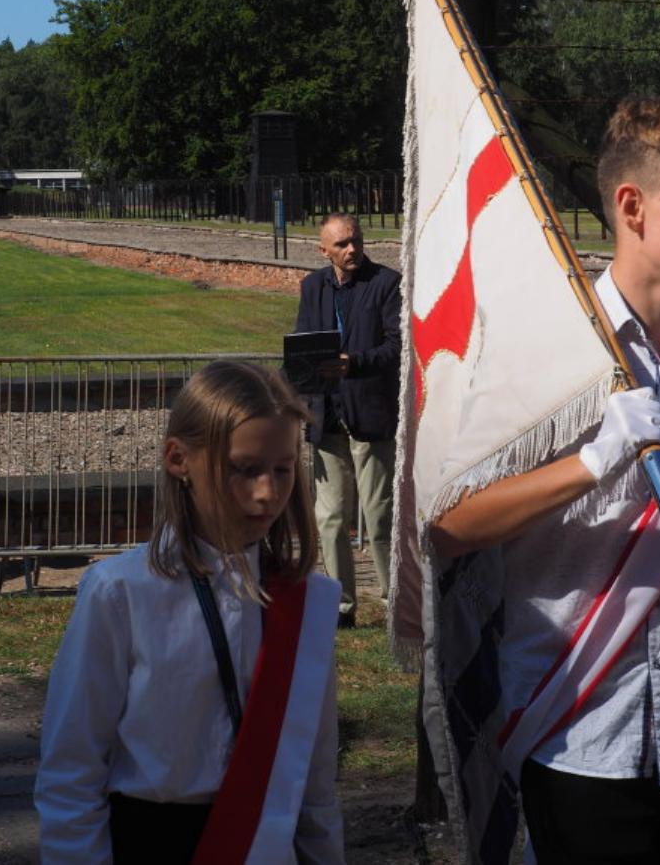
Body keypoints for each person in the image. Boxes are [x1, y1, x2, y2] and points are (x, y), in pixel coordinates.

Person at [429, 96, 660, 863]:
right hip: (575, 721)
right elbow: (450, 526)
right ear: (632, 207)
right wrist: (590, 463)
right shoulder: (540, 355)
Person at [35, 361, 344, 864]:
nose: (267, 493)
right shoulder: (121, 593)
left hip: (264, 846)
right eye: (244, 469)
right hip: (152, 843)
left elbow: (315, 783)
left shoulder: (306, 605)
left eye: (283, 469)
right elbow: (72, 769)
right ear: (179, 459)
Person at [296, 212, 401, 628]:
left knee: (379, 516)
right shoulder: (312, 287)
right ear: (324, 250)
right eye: (341, 244)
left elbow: (398, 346)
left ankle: (395, 601)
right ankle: (341, 607)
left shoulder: (386, 283)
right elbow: (303, 344)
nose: (352, 249)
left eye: (356, 240)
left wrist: (352, 364)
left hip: (370, 413)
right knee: (331, 518)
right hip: (327, 416)